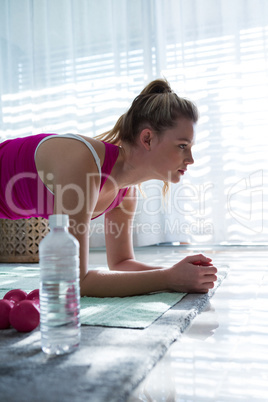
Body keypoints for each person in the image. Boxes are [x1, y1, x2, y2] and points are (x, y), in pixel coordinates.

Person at [0, 79, 217, 297]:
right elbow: (74, 280)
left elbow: (122, 263)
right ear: (148, 139)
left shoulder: (126, 191)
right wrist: (169, 279)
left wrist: (177, 273)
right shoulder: (84, 163)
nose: (191, 159)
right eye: (182, 146)